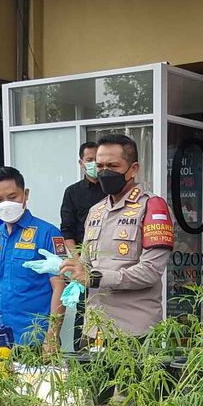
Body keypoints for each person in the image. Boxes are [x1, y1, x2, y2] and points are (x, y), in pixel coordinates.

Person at [59, 134, 174, 339]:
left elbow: (150, 272)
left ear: (134, 169)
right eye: (100, 165)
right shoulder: (96, 211)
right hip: (94, 330)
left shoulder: (152, 207)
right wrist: (71, 271)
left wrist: (94, 278)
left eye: (112, 166)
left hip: (134, 334)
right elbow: (86, 264)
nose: (104, 172)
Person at [0, 167, 65, 347]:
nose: (6, 204)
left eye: (13, 197)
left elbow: (59, 287)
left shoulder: (47, 233)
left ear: (25, 194)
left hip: (34, 336)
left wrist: (52, 335)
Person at [59, 141, 107, 249]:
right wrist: (77, 260)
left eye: (97, 159)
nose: (94, 163)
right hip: (83, 253)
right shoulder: (72, 192)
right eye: (89, 160)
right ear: (81, 163)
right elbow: (67, 231)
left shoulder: (113, 189)